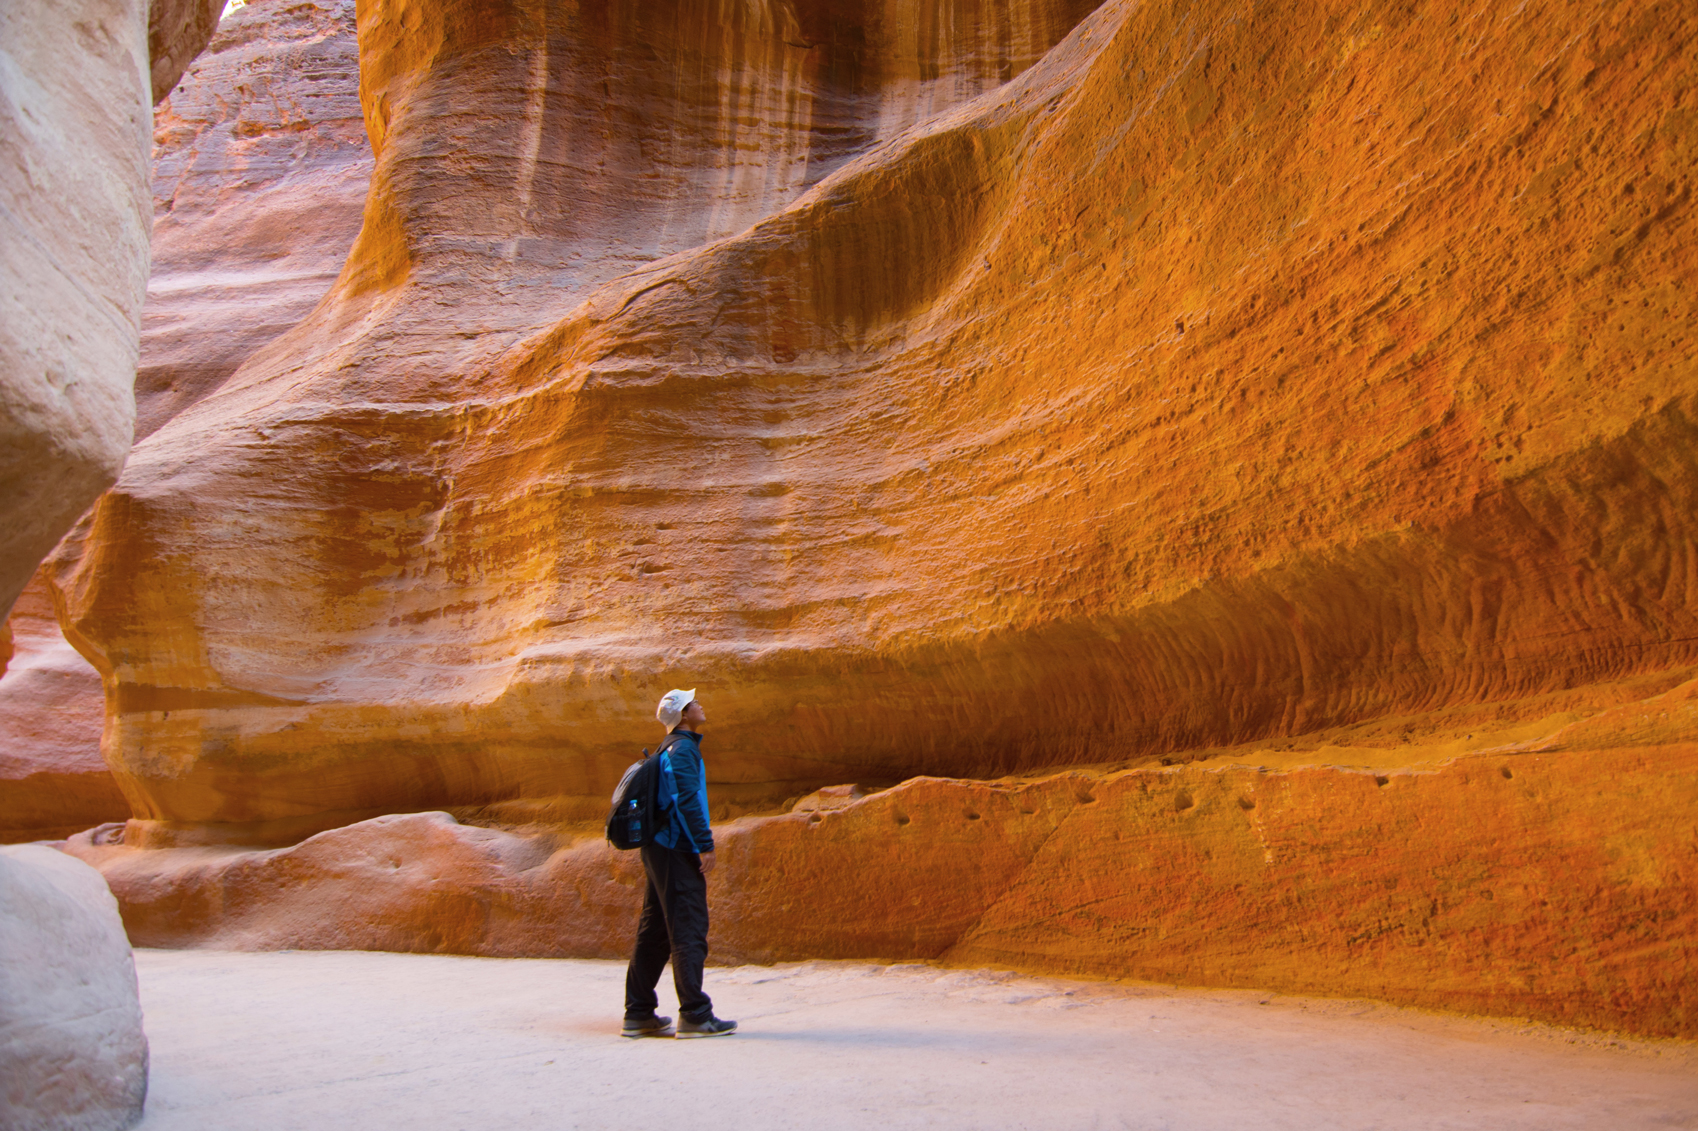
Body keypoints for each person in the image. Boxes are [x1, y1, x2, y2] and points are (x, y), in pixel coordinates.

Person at [622, 688, 738, 1038]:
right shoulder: (684, 749)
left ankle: (638, 1012)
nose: (701, 705)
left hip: (658, 848)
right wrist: (704, 845)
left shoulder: (665, 748)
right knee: (688, 927)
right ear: (684, 715)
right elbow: (687, 800)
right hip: (676, 847)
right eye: (694, 703)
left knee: (655, 930)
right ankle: (695, 1015)